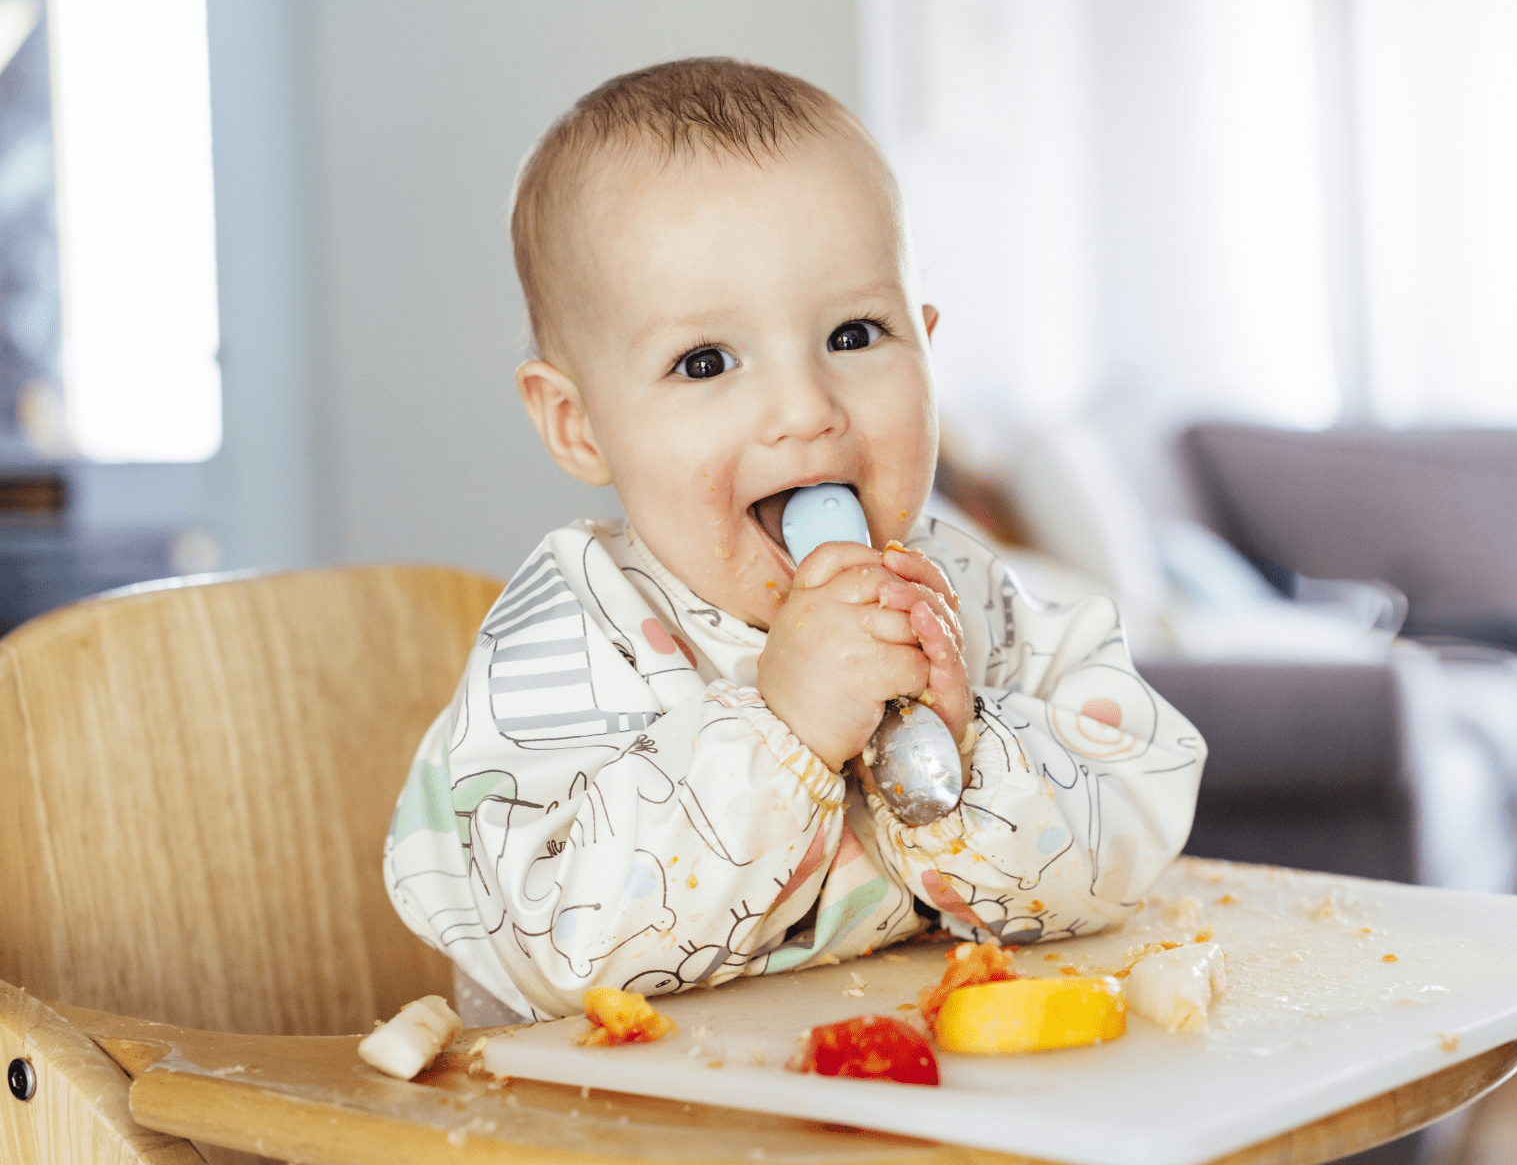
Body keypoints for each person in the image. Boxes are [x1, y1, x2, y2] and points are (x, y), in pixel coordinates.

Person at [383, 58, 1207, 1024]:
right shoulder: (570, 640)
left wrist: (965, 756)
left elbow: (1124, 851)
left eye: (855, 336)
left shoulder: (976, 598)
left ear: (927, 347)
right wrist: (786, 733)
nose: (805, 410)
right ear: (578, 422)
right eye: (705, 361)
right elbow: (562, 950)